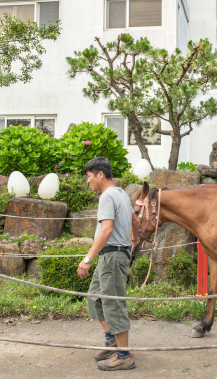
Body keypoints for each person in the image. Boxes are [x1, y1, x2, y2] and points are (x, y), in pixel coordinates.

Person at [77, 156, 140, 371]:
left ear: (100, 174)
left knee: (113, 305)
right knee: (95, 298)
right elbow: (135, 221)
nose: (88, 181)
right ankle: (113, 341)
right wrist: (134, 240)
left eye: (88, 176)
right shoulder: (122, 193)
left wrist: (87, 259)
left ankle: (124, 356)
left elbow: (107, 230)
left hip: (112, 256)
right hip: (112, 256)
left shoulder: (106, 196)